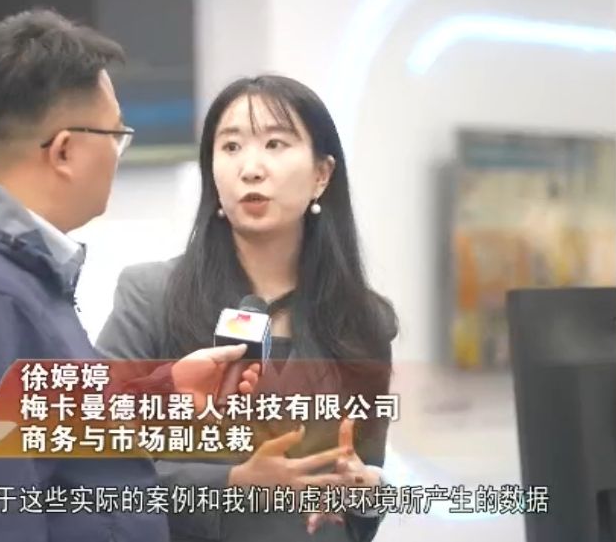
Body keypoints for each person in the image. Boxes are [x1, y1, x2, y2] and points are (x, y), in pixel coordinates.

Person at [0, 10, 261, 542]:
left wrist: (164, 393)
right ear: (65, 150)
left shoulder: (11, 273)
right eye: (116, 135)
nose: (118, 155)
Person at [96, 75, 399, 542]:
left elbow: (363, 490)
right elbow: (96, 467)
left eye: (276, 144)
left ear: (321, 174)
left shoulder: (363, 320)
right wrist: (234, 483)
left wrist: (367, 489)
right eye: (231, 146)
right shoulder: (151, 297)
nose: (251, 169)